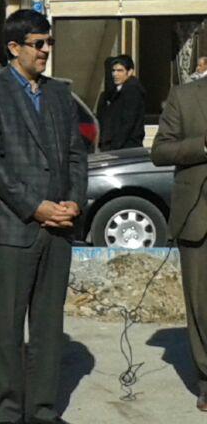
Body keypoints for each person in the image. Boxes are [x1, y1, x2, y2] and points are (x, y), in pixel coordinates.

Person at [0, 9, 87, 424]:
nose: (45, 51)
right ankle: (5, 412)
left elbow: (76, 154)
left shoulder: (59, 94)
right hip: (12, 226)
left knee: (48, 325)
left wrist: (74, 202)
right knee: (7, 325)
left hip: (59, 226)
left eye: (49, 43)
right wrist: (35, 206)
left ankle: (42, 410)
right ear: (14, 47)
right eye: (38, 44)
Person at [150, 76, 207, 411]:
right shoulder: (184, 97)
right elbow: (160, 151)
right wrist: (203, 145)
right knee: (201, 304)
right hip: (198, 217)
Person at [96, 54, 146, 151]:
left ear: (130, 72)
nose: (115, 74)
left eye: (120, 70)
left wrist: (114, 146)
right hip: (118, 147)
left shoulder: (132, 91)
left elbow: (128, 123)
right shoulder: (116, 92)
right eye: (113, 71)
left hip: (126, 148)